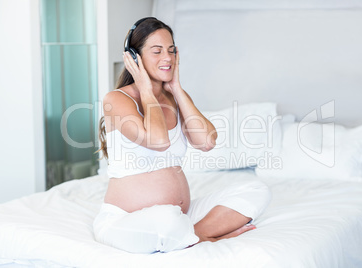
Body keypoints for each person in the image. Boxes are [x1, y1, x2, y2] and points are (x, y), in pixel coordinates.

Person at [93, 17, 271, 254]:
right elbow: (158, 141)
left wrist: (176, 89)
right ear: (134, 58)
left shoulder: (173, 97)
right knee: (167, 219)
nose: (167, 58)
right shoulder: (116, 100)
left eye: (171, 50)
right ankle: (190, 234)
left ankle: (193, 234)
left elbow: (207, 142)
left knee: (257, 190)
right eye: (156, 51)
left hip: (180, 216)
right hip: (126, 222)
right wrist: (146, 89)